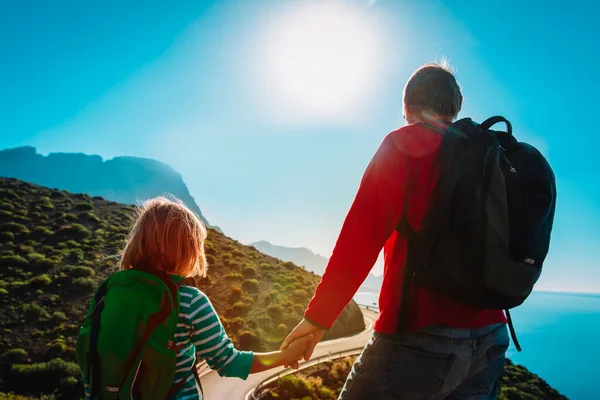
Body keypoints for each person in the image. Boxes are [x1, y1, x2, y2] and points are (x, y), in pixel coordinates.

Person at [281, 63, 510, 399]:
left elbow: (358, 242)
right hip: (492, 337)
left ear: (406, 106)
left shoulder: (404, 145)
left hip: (419, 335)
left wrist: (317, 320)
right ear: (457, 102)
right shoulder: (490, 153)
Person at [78, 197, 312, 400]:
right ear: (188, 249)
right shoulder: (189, 301)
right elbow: (228, 362)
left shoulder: (109, 293)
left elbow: (92, 367)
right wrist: (285, 356)